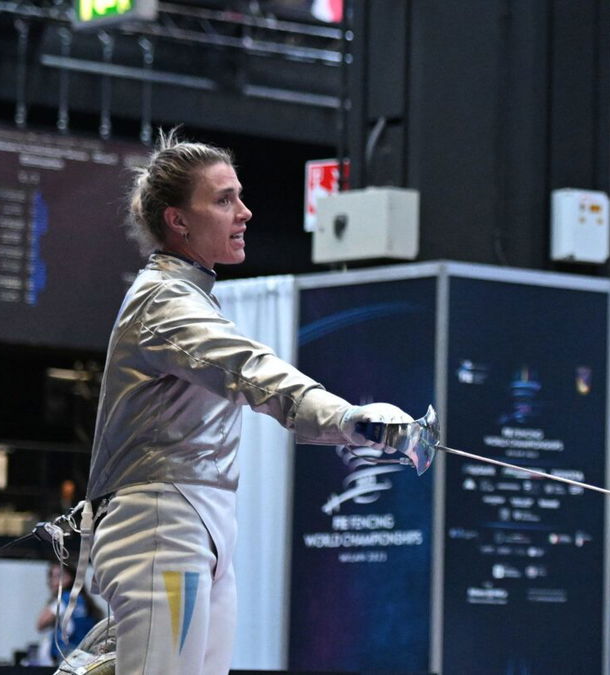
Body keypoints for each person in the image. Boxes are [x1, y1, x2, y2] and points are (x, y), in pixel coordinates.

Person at [85, 130, 412, 675]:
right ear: (178, 221)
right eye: (223, 199)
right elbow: (248, 369)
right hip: (162, 524)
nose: (245, 212)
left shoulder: (188, 295)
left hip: (200, 523)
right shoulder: (163, 301)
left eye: (238, 195)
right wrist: (348, 419)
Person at [35, 561, 103, 665]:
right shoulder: (84, 602)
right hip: (85, 658)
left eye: (58, 576)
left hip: (67, 658)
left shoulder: (64, 599)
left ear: (70, 577)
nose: (52, 581)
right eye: (51, 576)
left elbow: (41, 624)